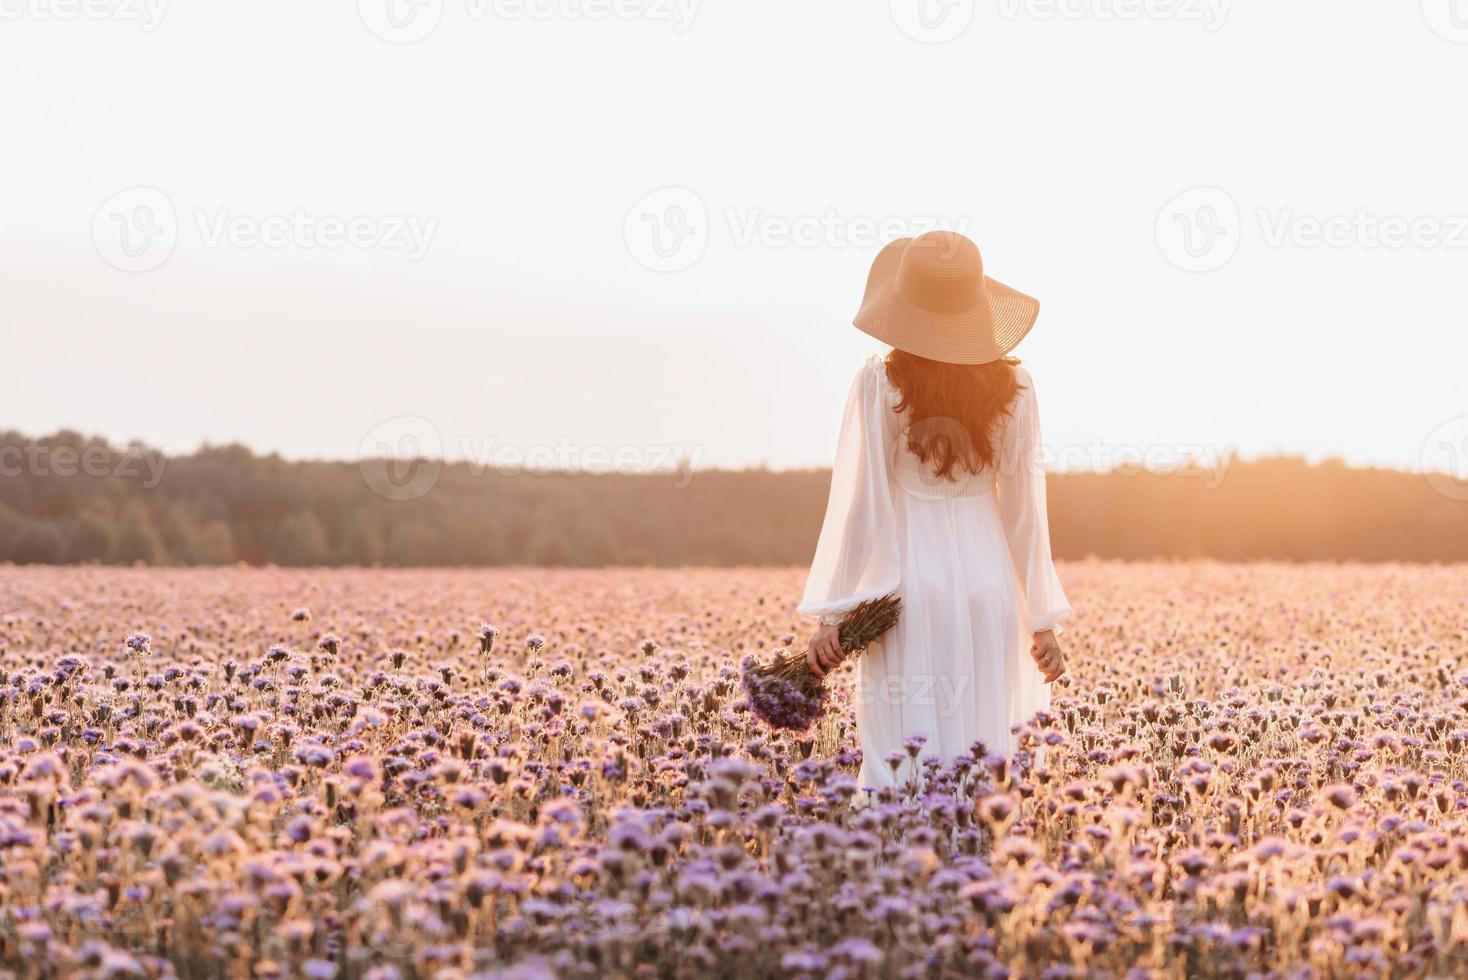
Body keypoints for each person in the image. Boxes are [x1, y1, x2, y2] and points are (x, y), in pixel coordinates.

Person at [799, 230, 1072, 791]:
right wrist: (1042, 619)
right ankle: (975, 862)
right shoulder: (1016, 387)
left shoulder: (879, 383)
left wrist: (832, 611)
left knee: (903, 748)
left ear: (905, 311)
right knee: (983, 740)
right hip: (989, 586)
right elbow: (1026, 514)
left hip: (906, 592)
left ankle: (904, 865)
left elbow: (860, 506)